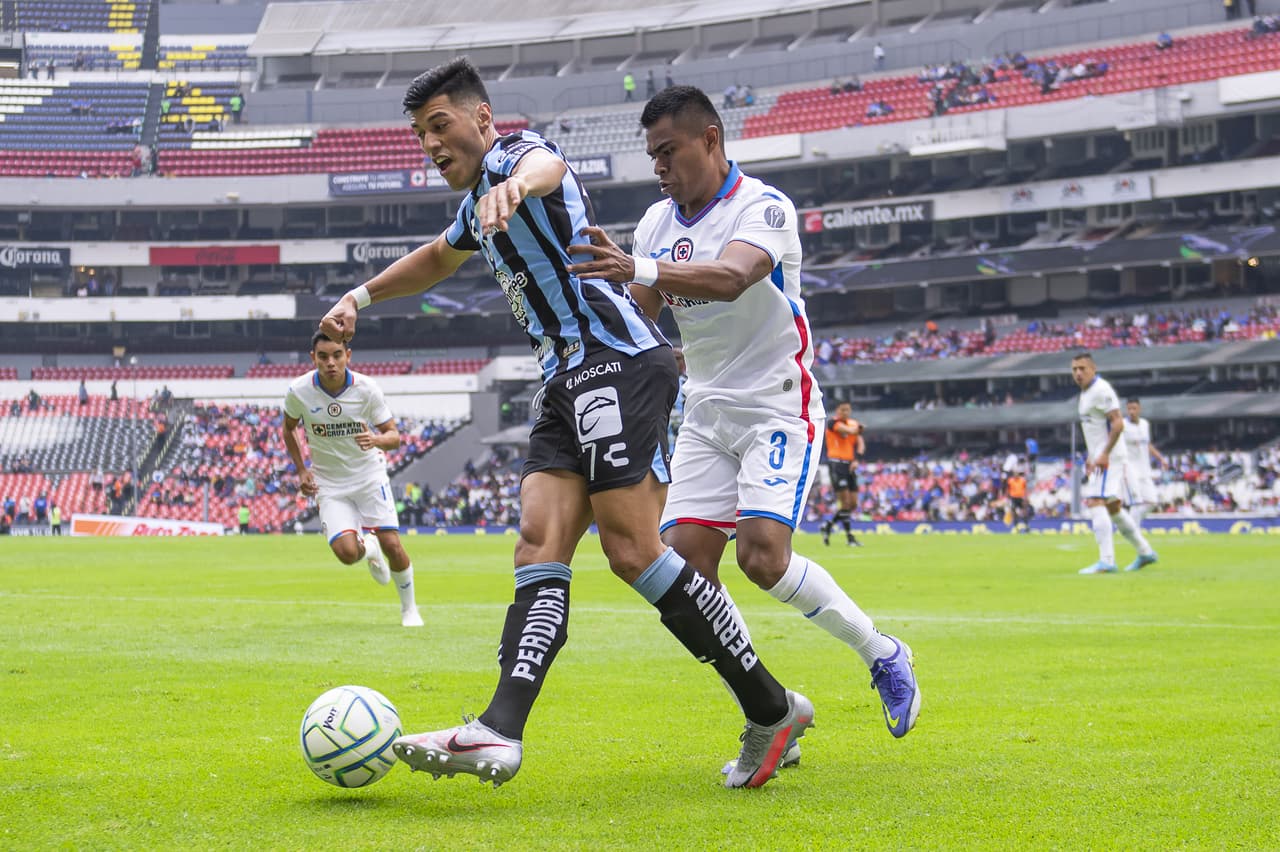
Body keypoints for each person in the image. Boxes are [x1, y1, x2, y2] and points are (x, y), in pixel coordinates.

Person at [318, 58, 808, 790]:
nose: (431, 143)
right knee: (537, 546)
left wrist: (517, 185)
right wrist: (360, 296)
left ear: (482, 120)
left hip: (618, 359)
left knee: (634, 553)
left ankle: (771, 707)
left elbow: (545, 166)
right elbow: (434, 259)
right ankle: (500, 730)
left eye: (441, 126)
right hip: (559, 381)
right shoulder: (474, 204)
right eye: (421, 134)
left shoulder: (520, 158)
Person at [566, 85, 920, 770]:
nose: (660, 167)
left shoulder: (763, 207)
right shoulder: (654, 223)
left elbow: (731, 279)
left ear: (710, 138)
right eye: (652, 157)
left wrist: (638, 266)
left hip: (776, 404)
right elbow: (642, 324)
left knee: (762, 557)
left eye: (668, 151)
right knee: (682, 573)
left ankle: (882, 652)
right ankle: (770, 712)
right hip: (705, 412)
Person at [282, 331, 422, 628]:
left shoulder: (367, 389)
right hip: (329, 483)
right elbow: (289, 428)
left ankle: (409, 610)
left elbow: (394, 437)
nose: (330, 362)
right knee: (347, 554)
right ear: (313, 358)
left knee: (392, 544)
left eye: (337, 355)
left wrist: (376, 439)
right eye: (323, 357)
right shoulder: (299, 391)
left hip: (368, 476)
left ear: (348, 355)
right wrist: (301, 469)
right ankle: (366, 548)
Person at [1072, 353, 1158, 574]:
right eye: (1074, 370)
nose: (1078, 373)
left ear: (1093, 369)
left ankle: (1107, 561)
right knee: (1113, 507)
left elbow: (1118, 424)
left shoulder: (1102, 390)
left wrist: (1103, 454)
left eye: (1082, 368)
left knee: (1094, 502)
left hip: (1109, 458)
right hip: (1102, 456)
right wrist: (1093, 456)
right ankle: (1145, 552)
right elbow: (1096, 430)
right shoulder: (1086, 393)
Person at [820, 402, 864, 546]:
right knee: (845, 502)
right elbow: (851, 431)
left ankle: (828, 526)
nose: (845, 412)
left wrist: (857, 459)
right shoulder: (833, 422)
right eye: (842, 409)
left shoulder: (853, 424)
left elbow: (860, 443)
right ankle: (849, 537)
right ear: (837, 410)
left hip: (850, 465)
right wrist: (857, 429)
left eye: (848, 410)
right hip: (836, 464)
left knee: (853, 504)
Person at [1121, 398, 1166, 529]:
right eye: (1129, 409)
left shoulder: (1145, 424)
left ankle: (1128, 525)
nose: (1131, 411)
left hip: (1145, 470)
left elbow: (1147, 445)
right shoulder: (1122, 425)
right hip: (1129, 469)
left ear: (1139, 409)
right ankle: (1134, 533)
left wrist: (1160, 458)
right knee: (1136, 502)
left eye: (1134, 408)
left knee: (1152, 502)